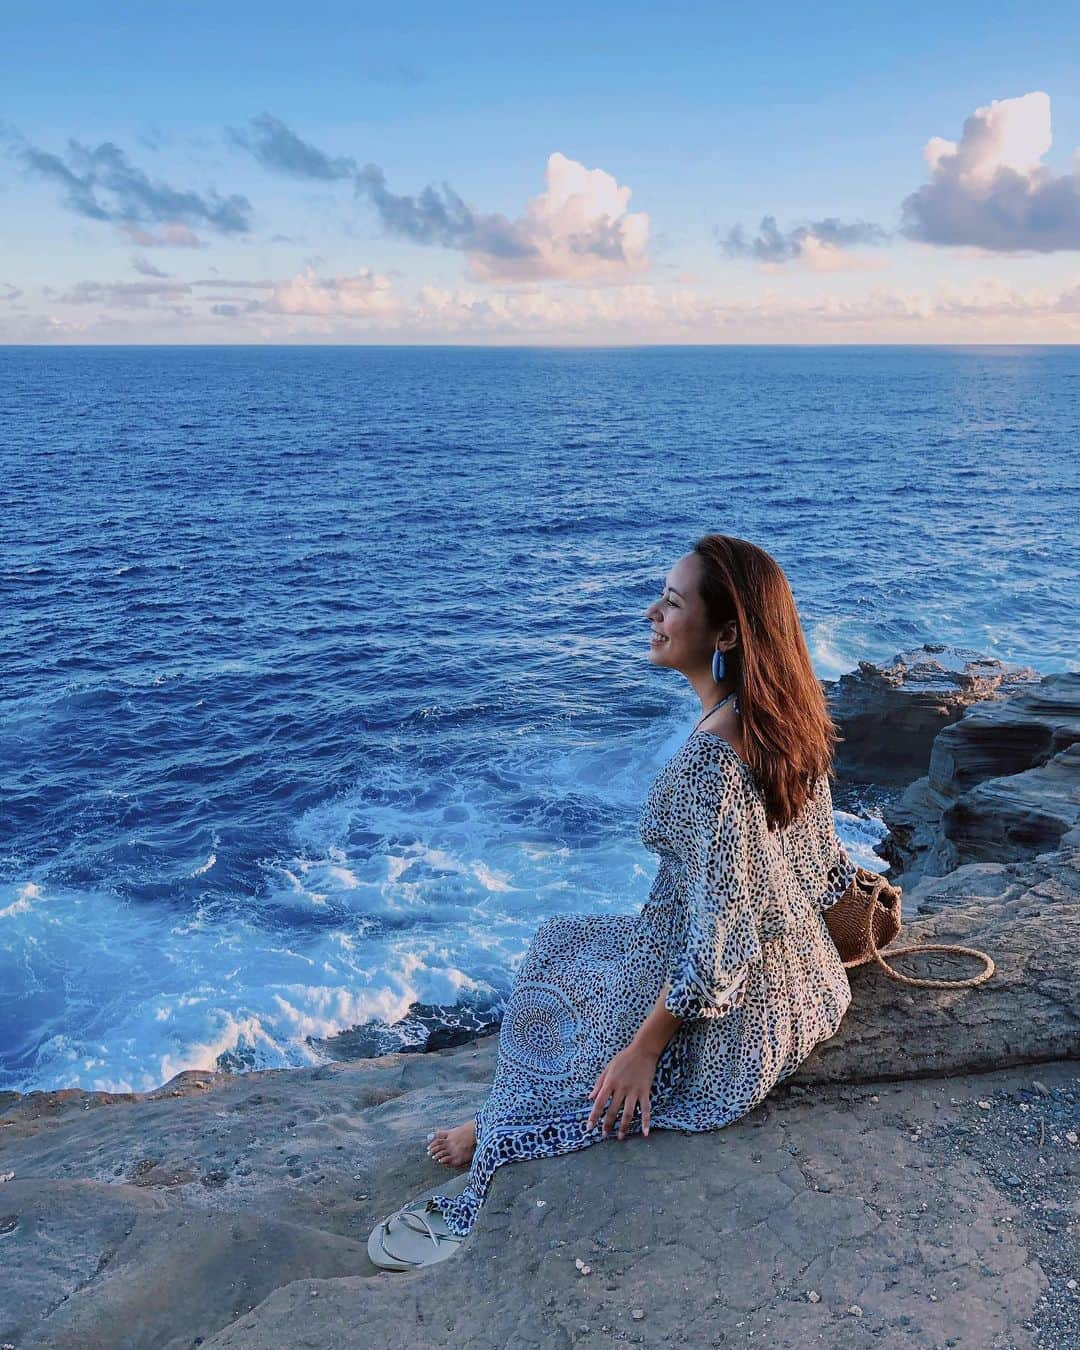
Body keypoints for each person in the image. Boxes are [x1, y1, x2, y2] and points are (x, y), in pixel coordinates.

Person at [368, 534, 858, 1267]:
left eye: (671, 602)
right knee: (568, 945)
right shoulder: (789, 721)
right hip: (807, 985)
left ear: (727, 633)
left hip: (740, 1028)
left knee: (590, 1026)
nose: (650, 614)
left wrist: (645, 1049)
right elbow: (824, 869)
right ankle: (503, 1110)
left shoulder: (710, 763)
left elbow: (718, 950)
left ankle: (498, 1129)